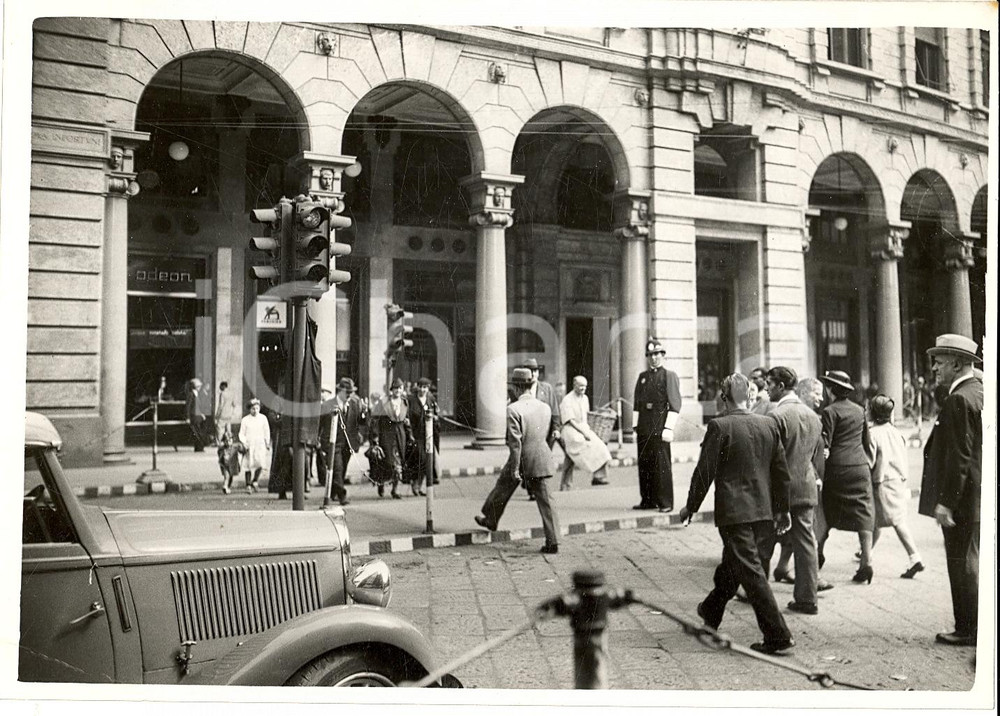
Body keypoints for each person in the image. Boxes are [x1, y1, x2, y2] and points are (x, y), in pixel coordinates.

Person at [679, 373, 795, 655]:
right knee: (736, 565)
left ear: (724, 397)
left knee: (750, 571)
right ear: (750, 397)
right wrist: (782, 509)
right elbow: (781, 472)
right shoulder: (768, 424)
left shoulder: (720, 426)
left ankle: (777, 634)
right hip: (764, 511)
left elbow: (704, 472)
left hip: (734, 512)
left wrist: (691, 506)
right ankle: (711, 610)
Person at [919, 334, 983, 647]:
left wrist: (946, 503)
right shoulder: (979, 391)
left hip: (963, 499)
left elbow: (960, 456)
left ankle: (968, 629)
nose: (934, 368)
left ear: (957, 364)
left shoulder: (959, 399)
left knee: (962, 563)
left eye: (939, 362)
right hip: (977, 495)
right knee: (971, 559)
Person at [475, 367, 561, 553]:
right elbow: (547, 435)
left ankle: (491, 519)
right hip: (541, 456)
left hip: (521, 457)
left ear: (516, 387)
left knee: (503, 485)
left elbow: (515, 444)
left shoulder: (513, 409)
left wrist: (515, 468)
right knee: (546, 500)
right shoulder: (544, 407)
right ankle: (552, 541)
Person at [765, 367, 824, 615]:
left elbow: (768, 458)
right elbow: (815, 455)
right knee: (806, 542)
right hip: (806, 486)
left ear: (781, 386)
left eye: (769, 384)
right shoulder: (813, 416)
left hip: (778, 489)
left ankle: (754, 592)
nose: (766, 388)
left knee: (764, 540)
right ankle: (807, 598)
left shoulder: (775, 416)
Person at [815, 370, 876, 584]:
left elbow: (826, 444)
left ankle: (817, 555)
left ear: (831, 389)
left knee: (826, 510)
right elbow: (867, 441)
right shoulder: (859, 410)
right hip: (859, 467)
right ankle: (866, 561)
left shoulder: (829, 411)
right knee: (864, 512)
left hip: (837, 468)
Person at [866, 394, 923, 578]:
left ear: (872, 413)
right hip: (898, 480)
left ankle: (914, 556)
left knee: (894, 521)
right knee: (880, 520)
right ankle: (866, 553)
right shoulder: (895, 432)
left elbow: (870, 461)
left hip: (882, 482)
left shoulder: (872, 434)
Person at [632, 339, 682, 512]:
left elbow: (675, 404)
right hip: (644, 427)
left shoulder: (669, 376)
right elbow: (637, 403)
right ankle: (648, 500)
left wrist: (668, 428)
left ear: (663, 355)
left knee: (661, 465)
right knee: (645, 464)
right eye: (650, 355)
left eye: (657, 354)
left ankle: (665, 502)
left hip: (660, 427)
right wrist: (635, 425)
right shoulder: (643, 377)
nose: (653, 358)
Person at [318, 378, 366, 506]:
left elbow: (360, 422)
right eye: (347, 392)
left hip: (348, 443)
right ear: (340, 391)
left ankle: (334, 491)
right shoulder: (327, 405)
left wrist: (364, 413)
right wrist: (318, 440)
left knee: (342, 468)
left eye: (351, 392)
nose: (350, 395)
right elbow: (319, 424)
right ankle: (342, 495)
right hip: (332, 443)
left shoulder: (354, 404)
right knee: (338, 468)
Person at [558, 376, 611, 490]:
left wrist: (588, 431)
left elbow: (586, 417)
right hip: (571, 430)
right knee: (574, 452)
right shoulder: (567, 399)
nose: (583, 389)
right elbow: (570, 420)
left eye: (585, 386)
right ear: (574, 385)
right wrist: (584, 433)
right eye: (581, 386)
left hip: (584, 428)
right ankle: (565, 484)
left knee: (601, 446)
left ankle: (598, 476)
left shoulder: (585, 398)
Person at [369, 378, 413, 499]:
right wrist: (375, 438)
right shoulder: (383, 403)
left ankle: (395, 489)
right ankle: (381, 483)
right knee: (386, 462)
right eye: (395, 388)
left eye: (400, 388)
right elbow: (375, 421)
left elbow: (406, 420)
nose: (397, 391)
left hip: (400, 436)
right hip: (386, 435)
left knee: (398, 463)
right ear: (391, 390)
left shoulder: (404, 403)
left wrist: (410, 435)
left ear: (403, 390)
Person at [407, 377, 440, 495]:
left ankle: (419, 486)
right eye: (421, 387)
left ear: (428, 388)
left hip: (429, 435)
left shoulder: (431, 399)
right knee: (420, 459)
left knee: (428, 461)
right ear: (417, 387)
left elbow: (436, 413)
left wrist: (435, 417)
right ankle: (415, 484)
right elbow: (407, 416)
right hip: (416, 435)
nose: (422, 390)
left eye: (425, 387)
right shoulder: (411, 400)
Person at [238, 398, 271, 493]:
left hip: (260, 444)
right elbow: (241, 433)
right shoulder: (245, 420)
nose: (255, 411)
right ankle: (248, 484)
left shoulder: (263, 418)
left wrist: (267, 442)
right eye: (253, 409)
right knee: (248, 464)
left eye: (257, 408)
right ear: (249, 409)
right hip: (250, 444)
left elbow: (266, 431)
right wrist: (244, 442)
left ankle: (255, 480)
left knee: (260, 463)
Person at [185, 378, 208, 451]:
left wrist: (201, 414)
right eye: (199, 386)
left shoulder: (196, 394)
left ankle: (199, 446)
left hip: (197, 416)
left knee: (198, 431)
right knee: (197, 432)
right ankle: (199, 447)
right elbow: (188, 406)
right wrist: (187, 417)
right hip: (194, 416)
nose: (200, 388)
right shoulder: (191, 394)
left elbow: (198, 406)